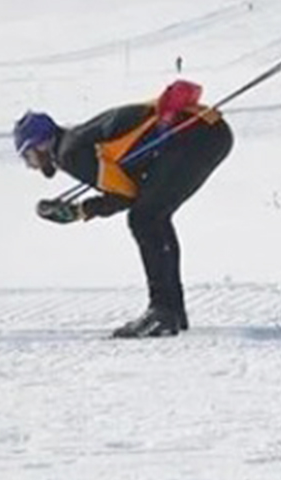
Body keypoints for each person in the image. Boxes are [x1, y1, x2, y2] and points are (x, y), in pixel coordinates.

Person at [12, 80, 233, 337]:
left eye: (28, 156)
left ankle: (162, 312)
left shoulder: (70, 153)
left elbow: (125, 193)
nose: (31, 166)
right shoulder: (77, 140)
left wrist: (81, 211)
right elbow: (125, 182)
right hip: (205, 130)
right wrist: (82, 210)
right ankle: (171, 310)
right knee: (153, 216)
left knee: (144, 218)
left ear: (41, 145)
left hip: (196, 136)